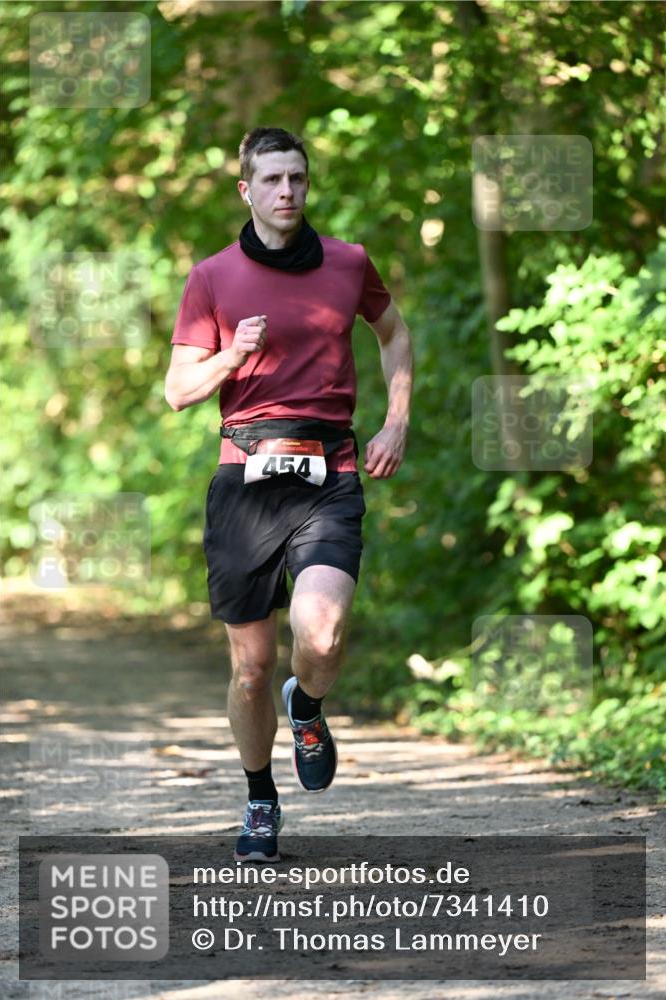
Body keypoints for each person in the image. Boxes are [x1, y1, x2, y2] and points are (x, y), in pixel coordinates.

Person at [165, 126, 413, 862]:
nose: (285, 192)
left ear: (308, 185)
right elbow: (178, 391)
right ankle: (259, 801)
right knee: (248, 669)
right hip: (243, 481)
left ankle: (306, 708)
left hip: (329, 473)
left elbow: (394, 334)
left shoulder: (348, 263)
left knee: (324, 633)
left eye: (297, 179)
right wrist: (232, 356)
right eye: (271, 180)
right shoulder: (211, 277)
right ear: (246, 190)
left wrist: (397, 422)